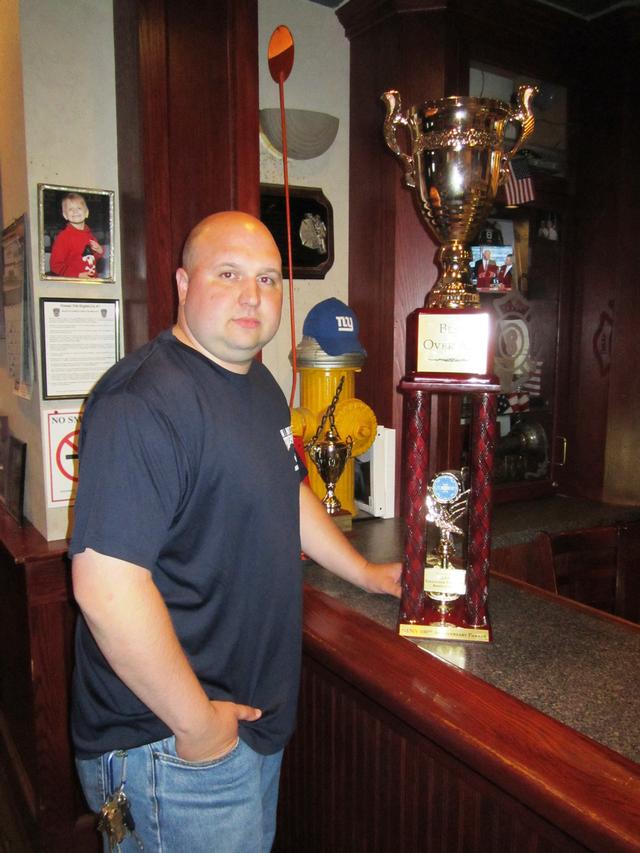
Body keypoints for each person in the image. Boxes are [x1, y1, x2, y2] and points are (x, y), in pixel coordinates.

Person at [70, 211, 401, 853]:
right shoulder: (140, 402)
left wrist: (363, 573)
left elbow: (287, 490)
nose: (253, 295)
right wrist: (198, 727)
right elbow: (105, 590)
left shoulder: (259, 384)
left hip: (239, 722)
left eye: (269, 278)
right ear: (183, 284)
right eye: (229, 274)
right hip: (170, 740)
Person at [49, 192, 105, 278]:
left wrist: (100, 251)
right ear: (65, 215)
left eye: (79, 208)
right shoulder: (63, 237)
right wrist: (77, 275)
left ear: (86, 213)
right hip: (74, 285)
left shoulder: (90, 235)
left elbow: (92, 258)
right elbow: (55, 265)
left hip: (92, 282)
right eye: (70, 209)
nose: (75, 211)